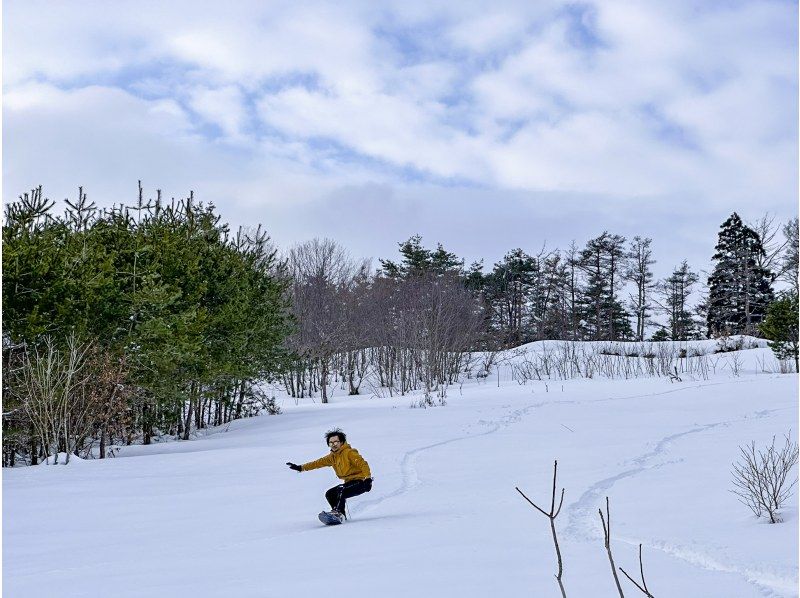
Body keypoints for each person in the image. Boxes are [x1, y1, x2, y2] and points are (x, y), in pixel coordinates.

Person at [286, 428, 373, 523]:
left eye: (336, 442)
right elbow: (317, 463)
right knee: (330, 493)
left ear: (342, 442)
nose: (333, 445)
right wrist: (300, 468)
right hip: (349, 483)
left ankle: (337, 513)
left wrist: (368, 479)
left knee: (340, 489)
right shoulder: (332, 457)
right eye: (331, 443)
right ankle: (340, 516)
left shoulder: (349, 453)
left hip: (361, 482)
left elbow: (363, 464)